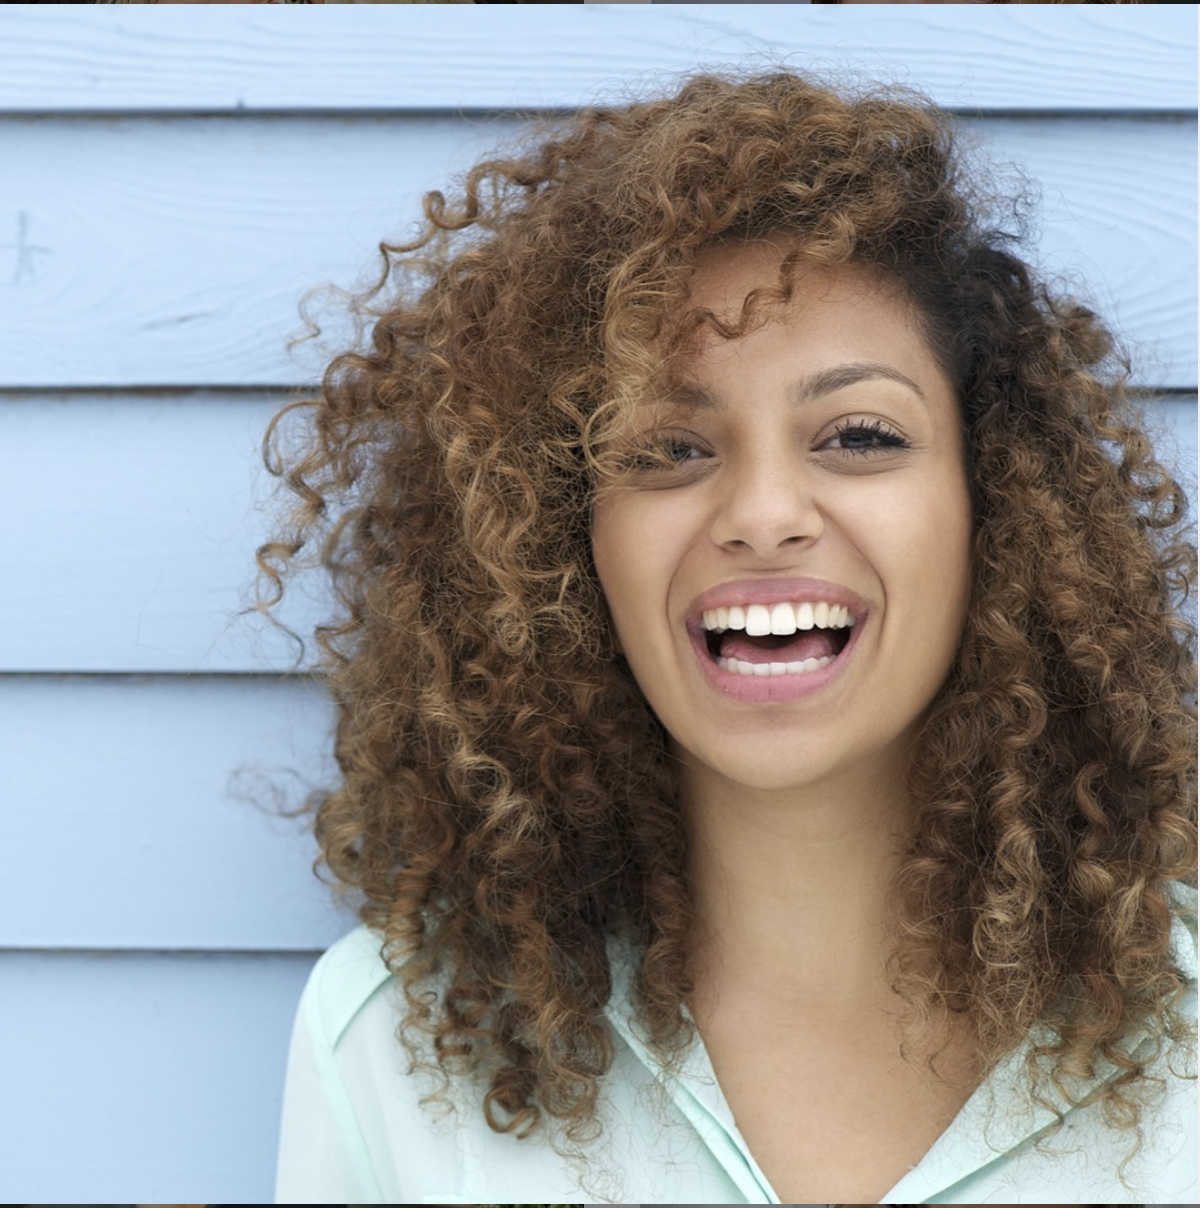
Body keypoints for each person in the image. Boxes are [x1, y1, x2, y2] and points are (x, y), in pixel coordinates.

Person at [254, 64, 1197, 1204]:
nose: (762, 514)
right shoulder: (390, 1045)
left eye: (858, 435)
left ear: (993, 505)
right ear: (561, 542)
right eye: (667, 449)